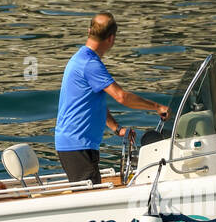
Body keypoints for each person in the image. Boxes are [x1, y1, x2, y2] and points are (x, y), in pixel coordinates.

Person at [54, 12, 169, 184]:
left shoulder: (82, 58)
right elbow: (122, 97)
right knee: (90, 203)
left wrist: (117, 128)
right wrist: (157, 107)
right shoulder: (90, 64)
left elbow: (93, 101)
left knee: (92, 195)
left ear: (89, 31)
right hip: (77, 144)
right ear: (111, 39)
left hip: (79, 143)